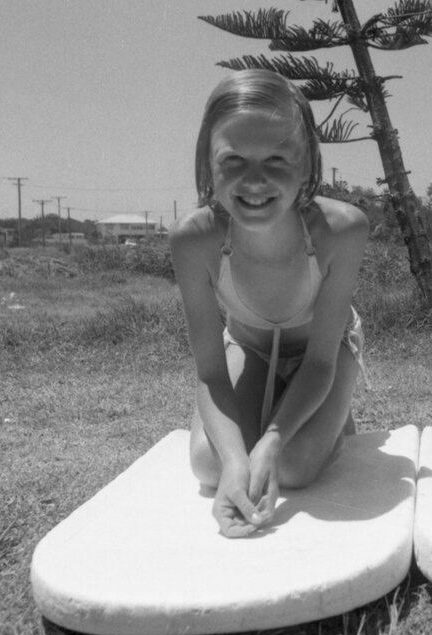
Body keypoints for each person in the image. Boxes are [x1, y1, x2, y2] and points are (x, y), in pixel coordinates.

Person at [170, 70, 369, 538]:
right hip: (249, 344)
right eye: (233, 159)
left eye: (277, 158)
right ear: (207, 163)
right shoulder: (194, 240)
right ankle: (300, 414)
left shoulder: (341, 230)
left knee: (296, 468)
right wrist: (238, 460)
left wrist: (272, 444)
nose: (254, 181)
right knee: (208, 465)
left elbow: (319, 360)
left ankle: (329, 418)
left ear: (307, 165)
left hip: (325, 353)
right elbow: (210, 373)